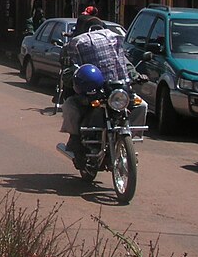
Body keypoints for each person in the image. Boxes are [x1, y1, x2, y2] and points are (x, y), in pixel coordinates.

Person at [59, 16, 142, 164]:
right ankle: (76, 139)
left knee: (141, 105)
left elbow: (125, 63)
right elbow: (66, 71)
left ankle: (129, 137)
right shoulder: (74, 47)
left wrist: (137, 76)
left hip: (114, 91)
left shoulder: (112, 46)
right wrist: (75, 76)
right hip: (88, 93)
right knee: (70, 106)